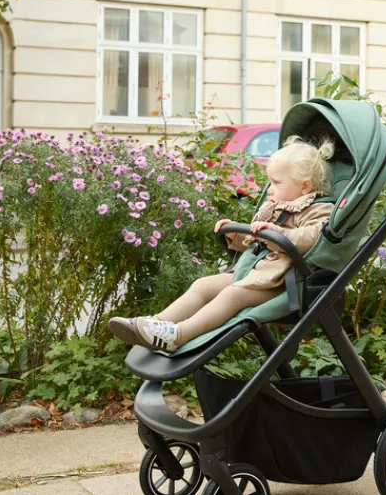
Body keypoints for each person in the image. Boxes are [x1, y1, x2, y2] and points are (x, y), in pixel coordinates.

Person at [109, 136, 335, 353]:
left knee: (232, 295)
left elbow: (311, 237)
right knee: (203, 285)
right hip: (254, 275)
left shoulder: (320, 209)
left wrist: (279, 232)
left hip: (281, 285)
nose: (270, 189)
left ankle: (177, 336)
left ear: (305, 186)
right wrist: (236, 235)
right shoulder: (276, 207)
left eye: (276, 182)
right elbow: (257, 244)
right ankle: (156, 323)